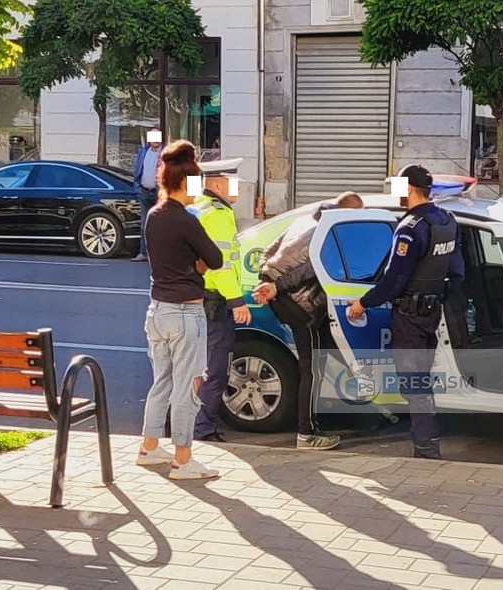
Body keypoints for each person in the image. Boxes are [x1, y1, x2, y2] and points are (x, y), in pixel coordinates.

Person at [346, 165, 464, 460]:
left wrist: (363, 303)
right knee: (421, 380)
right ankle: (428, 441)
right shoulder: (447, 221)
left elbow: (394, 280)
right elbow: (457, 272)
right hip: (430, 313)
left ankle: (426, 449)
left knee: (414, 383)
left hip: (410, 316)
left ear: (409, 188)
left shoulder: (411, 228)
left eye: (398, 187)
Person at [136, 139, 224, 480]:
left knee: (161, 382)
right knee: (188, 386)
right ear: (185, 183)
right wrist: (197, 267)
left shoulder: (154, 216)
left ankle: (149, 446)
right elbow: (215, 259)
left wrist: (192, 265)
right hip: (187, 313)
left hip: (157, 310)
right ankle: (183, 459)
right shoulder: (187, 220)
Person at [253, 191, 365, 450]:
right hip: (301, 307)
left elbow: (267, 251)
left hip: (284, 300)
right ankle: (306, 433)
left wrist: (266, 281)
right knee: (312, 369)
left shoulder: (303, 220)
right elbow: (312, 268)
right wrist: (276, 287)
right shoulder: (329, 234)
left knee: (325, 357)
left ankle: (364, 402)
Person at [188, 158, 252, 442]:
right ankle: (202, 428)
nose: (238, 188)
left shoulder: (198, 208)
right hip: (215, 303)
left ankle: (184, 422)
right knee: (215, 369)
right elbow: (222, 265)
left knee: (193, 366)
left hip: (199, 300)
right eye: (233, 182)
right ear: (215, 184)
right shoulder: (217, 215)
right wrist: (237, 301)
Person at [132, 129, 165, 262]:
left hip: (159, 194)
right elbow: (137, 170)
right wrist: (138, 188)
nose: (155, 140)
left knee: (160, 224)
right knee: (144, 225)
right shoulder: (143, 152)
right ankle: (143, 252)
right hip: (145, 191)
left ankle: (159, 254)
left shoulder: (165, 153)